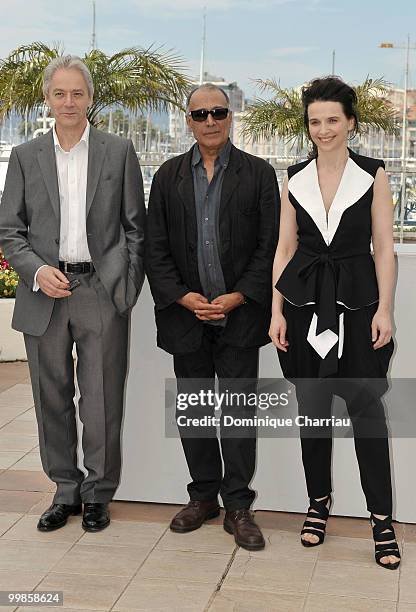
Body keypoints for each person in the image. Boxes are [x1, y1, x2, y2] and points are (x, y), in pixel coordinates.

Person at [0, 56, 145, 532]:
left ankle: (99, 492)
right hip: (44, 291)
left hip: (99, 291)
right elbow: (9, 231)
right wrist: (37, 271)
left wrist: (121, 284)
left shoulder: (118, 151)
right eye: (60, 93)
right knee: (51, 396)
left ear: (89, 98)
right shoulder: (24, 157)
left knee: (102, 399)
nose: (68, 102)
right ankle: (64, 491)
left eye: (77, 93)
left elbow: (134, 229)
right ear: (48, 98)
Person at [270, 76, 400, 569]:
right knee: (313, 412)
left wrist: (385, 308)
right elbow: (284, 250)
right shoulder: (294, 177)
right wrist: (276, 312)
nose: (323, 130)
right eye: (315, 121)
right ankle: (318, 504)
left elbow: (384, 247)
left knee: (368, 416)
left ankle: (382, 521)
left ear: (350, 122)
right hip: (304, 310)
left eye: (332, 120)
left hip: (361, 307)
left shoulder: (373, 174)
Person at [146, 83, 280, 551]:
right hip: (186, 317)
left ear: (230, 116)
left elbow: (270, 247)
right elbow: (154, 248)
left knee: (239, 416)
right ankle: (203, 497)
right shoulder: (166, 177)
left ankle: (239, 505)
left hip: (239, 318)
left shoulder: (259, 175)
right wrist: (183, 297)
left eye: (218, 112)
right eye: (200, 113)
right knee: (195, 411)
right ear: (188, 120)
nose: (209, 120)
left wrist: (239, 295)